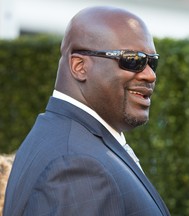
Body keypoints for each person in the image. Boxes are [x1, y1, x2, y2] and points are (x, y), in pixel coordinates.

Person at [3, 6, 170, 216]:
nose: (150, 75)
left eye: (152, 62)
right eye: (133, 60)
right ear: (79, 66)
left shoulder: (66, 141)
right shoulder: (76, 166)